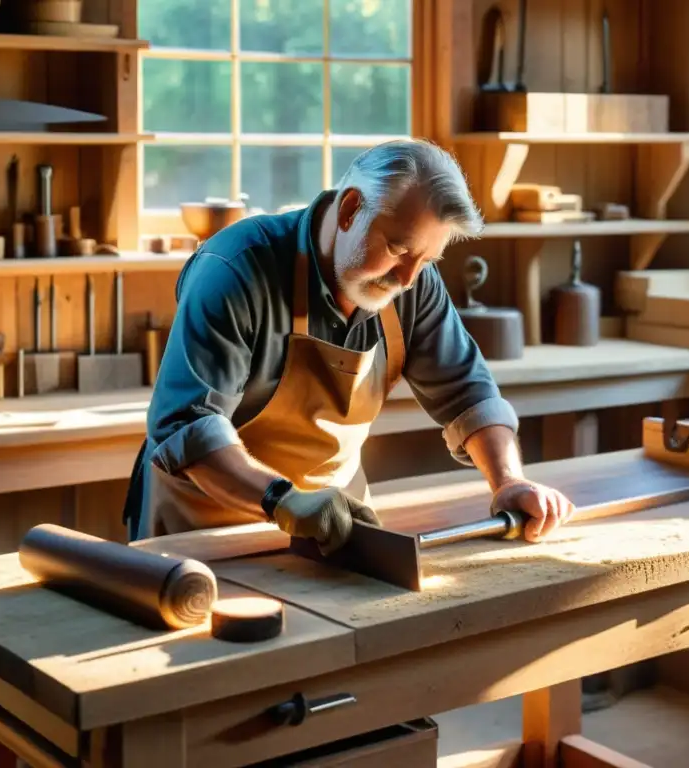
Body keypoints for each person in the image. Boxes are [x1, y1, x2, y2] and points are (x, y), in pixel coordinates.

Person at [122, 139, 576, 553]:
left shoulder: (411, 281)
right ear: (350, 209)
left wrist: (508, 480)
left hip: (333, 525)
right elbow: (187, 425)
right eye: (398, 248)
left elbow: (468, 393)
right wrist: (284, 501)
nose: (408, 279)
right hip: (205, 528)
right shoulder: (235, 269)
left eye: (428, 259)